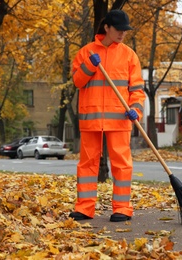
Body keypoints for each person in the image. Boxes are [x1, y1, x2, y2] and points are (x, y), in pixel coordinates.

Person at [69, 10, 146, 222]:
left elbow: (137, 89)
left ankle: (122, 208)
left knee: (121, 164)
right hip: (91, 118)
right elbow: (77, 81)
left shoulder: (129, 55)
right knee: (87, 164)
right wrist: (89, 66)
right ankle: (84, 208)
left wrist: (136, 110)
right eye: (119, 30)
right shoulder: (86, 52)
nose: (122, 34)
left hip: (120, 119)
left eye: (125, 30)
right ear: (107, 28)